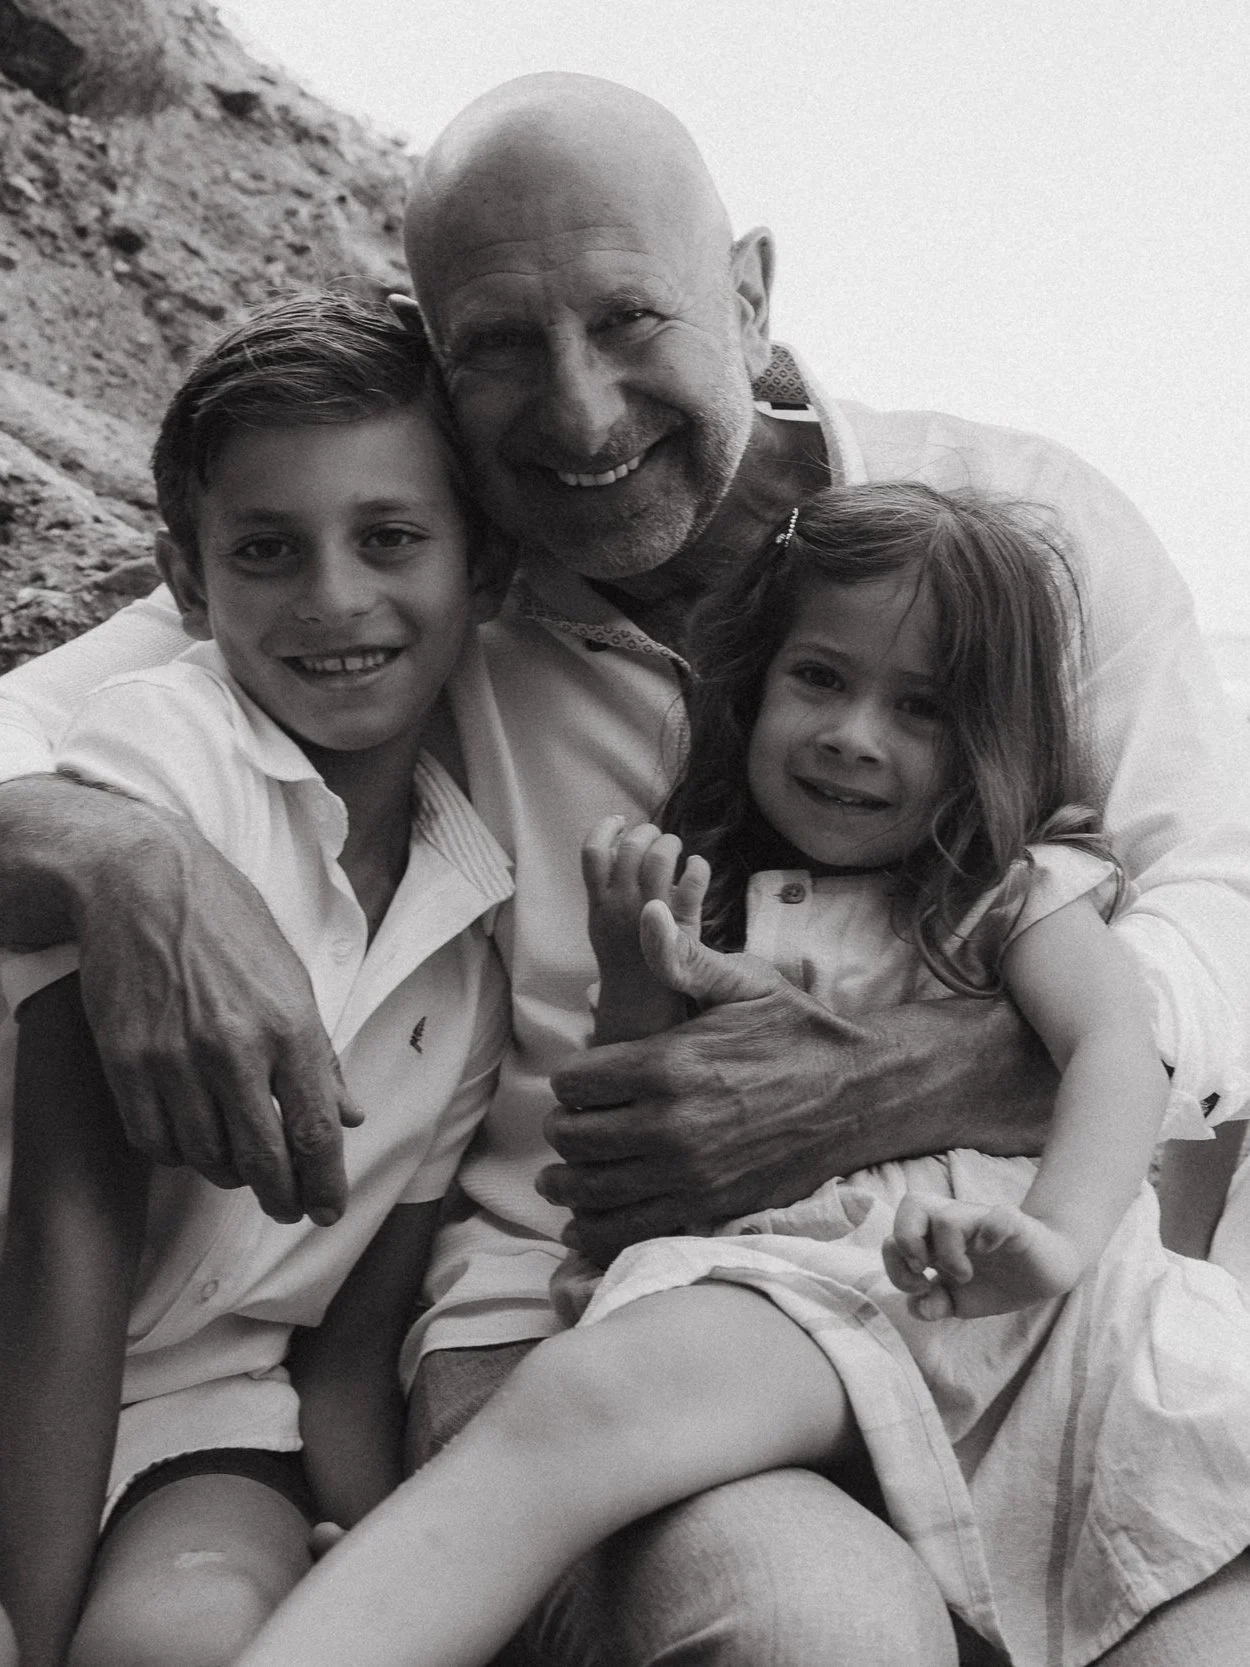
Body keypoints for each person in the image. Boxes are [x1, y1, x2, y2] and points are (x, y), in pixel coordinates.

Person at [1, 72, 1249, 1664]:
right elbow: (33, 738)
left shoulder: (1017, 544)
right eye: (502, 346)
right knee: (813, 1632)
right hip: (569, 1308)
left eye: (629, 319)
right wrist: (124, 861)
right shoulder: (418, 584)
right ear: (438, 356)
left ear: (747, 289)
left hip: (976, 1295)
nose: (579, 413)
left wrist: (910, 1073)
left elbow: (1219, 915)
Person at [229, 483, 1250, 1667]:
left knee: (1168, 1582)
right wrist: (634, 962)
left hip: (1014, 1301)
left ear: (988, 740)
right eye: (819, 677)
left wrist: (1058, 1235)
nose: (852, 733)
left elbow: (1118, 1045)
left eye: (918, 707)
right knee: (583, 1409)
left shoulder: (1009, 891)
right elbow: (632, 1139)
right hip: (801, 1286)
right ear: (753, 683)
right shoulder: (724, 887)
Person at [0, 292, 513, 1667]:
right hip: (24, 1356)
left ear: (486, 564)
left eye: (391, 538)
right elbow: (66, 1240)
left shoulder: (469, 940)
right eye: (268, 549)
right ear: (188, 575)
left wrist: (376, 1562)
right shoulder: (168, 766)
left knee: (190, 1641)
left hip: (211, 1417)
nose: (336, 598)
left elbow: (340, 1361)